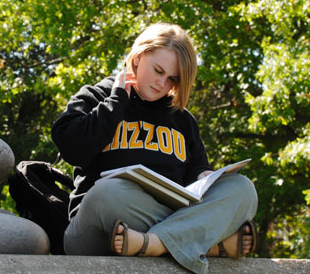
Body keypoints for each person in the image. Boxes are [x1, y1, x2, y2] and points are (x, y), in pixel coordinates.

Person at [51, 22, 258, 274]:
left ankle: (155, 244)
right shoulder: (100, 95)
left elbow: (197, 173)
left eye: (173, 79)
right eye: (158, 70)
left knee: (243, 189)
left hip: (152, 224)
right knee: (108, 191)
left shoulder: (182, 118)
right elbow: (71, 148)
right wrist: (117, 101)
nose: (162, 83)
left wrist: (205, 177)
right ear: (138, 58)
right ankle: (206, 244)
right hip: (98, 224)